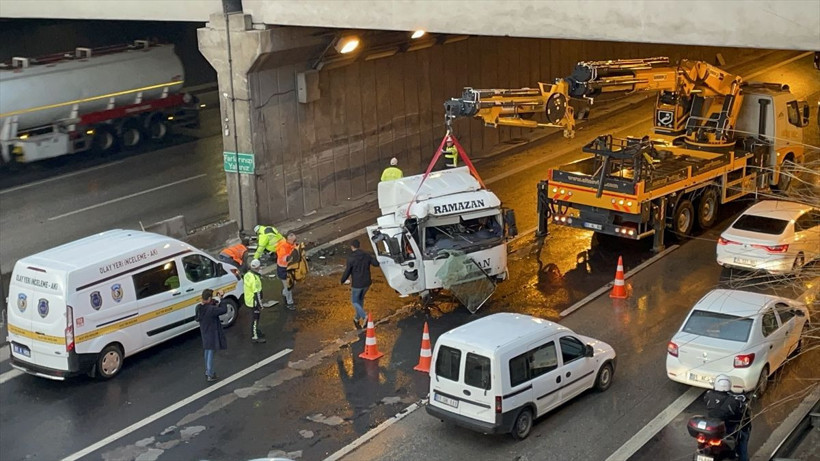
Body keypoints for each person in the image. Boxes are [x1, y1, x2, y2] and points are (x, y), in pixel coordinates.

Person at [704, 374, 751, 461]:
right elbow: (739, 409)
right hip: (727, 428)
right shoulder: (733, 401)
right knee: (743, 440)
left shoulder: (709, 395)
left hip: (712, 427)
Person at [340, 239, 380, 329]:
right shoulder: (366, 255)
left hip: (357, 283)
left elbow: (347, 271)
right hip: (367, 283)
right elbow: (376, 264)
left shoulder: (351, 258)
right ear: (359, 245)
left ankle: (364, 316)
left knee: (354, 301)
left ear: (352, 247)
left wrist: (342, 280)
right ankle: (357, 318)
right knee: (360, 300)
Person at [195, 289, 228, 382]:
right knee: (210, 352)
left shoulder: (199, 307)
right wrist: (222, 299)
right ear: (209, 298)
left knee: (207, 351)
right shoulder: (211, 309)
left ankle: (207, 371)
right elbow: (223, 310)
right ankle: (210, 373)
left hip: (204, 332)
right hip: (212, 333)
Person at [243, 259, 266, 343]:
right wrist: (260, 305)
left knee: (254, 318)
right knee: (255, 319)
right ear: (258, 267)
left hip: (248, 300)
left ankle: (256, 331)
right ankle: (255, 336)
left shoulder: (248, 275)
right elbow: (257, 294)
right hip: (254, 302)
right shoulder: (255, 279)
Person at [276, 233, 298, 310]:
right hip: (283, 269)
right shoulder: (283, 247)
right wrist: (290, 258)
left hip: (289, 268)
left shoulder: (292, 245)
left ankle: (285, 293)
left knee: (290, 285)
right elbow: (283, 257)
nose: (295, 242)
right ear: (288, 240)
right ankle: (290, 303)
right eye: (294, 241)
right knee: (289, 287)